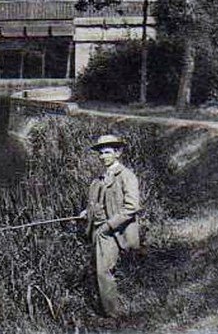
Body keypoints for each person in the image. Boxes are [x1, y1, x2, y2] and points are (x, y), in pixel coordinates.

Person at [80, 134, 141, 317]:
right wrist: (86, 212)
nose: (103, 156)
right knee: (101, 270)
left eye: (107, 152)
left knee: (103, 272)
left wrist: (108, 226)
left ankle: (112, 314)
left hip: (114, 232)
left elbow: (132, 207)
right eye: (101, 153)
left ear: (118, 153)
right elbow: (97, 202)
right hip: (99, 230)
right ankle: (110, 309)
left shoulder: (127, 176)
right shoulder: (101, 177)